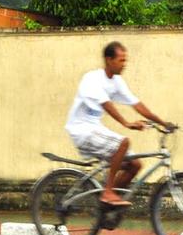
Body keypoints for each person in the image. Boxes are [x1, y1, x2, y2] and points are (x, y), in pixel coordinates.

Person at [65, 41, 172, 207]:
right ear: (109, 60)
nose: (125, 64)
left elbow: (137, 104)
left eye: (125, 60)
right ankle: (107, 192)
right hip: (82, 130)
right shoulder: (92, 79)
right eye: (121, 60)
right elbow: (106, 104)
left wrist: (164, 123)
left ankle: (107, 205)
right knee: (123, 143)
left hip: (94, 129)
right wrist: (127, 123)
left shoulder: (116, 81)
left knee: (135, 165)